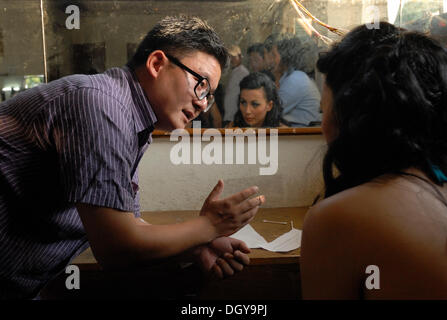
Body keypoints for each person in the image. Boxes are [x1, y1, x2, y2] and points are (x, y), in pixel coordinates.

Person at [0, 15, 265, 300]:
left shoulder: (131, 121)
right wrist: (209, 226)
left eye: (210, 96)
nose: (202, 103)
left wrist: (198, 245)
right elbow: (116, 249)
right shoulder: (101, 106)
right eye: (200, 84)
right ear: (157, 64)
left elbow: (130, 226)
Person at [300, 22, 447, 299]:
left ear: (351, 118)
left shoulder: (337, 219)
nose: (322, 124)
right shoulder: (438, 185)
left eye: (325, 109)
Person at [273, 37, 321, 127]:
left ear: (285, 57)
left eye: (274, 55)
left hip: (301, 136)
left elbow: (272, 111)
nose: (272, 60)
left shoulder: (296, 79)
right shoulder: (293, 76)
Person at [222, 45, 249, 126]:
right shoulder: (235, 72)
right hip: (229, 116)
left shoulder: (243, 73)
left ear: (240, 57)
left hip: (234, 118)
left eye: (233, 57)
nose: (231, 60)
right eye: (229, 57)